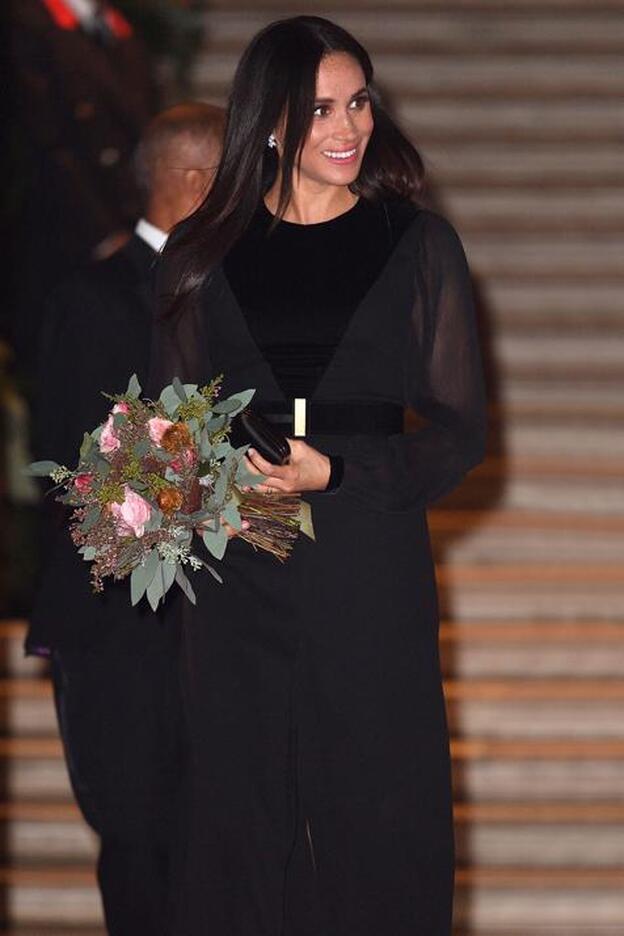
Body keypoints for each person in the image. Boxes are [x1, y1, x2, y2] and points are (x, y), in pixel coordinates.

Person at [151, 16, 486, 936]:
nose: (349, 128)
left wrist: (337, 472)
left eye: (360, 103)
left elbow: (461, 431)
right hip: (239, 566)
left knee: (378, 803)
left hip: (367, 555)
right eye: (321, 109)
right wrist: (213, 488)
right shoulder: (201, 256)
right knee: (235, 810)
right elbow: (167, 428)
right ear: (268, 123)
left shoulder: (417, 245)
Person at [28, 102, 225, 936]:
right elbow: (71, 470)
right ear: (194, 182)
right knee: (143, 845)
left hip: (226, 628)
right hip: (120, 630)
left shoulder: (244, 297)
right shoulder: (92, 298)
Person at [9, 0, 155, 377]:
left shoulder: (114, 25)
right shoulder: (24, 21)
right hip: (64, 237)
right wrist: (103, 232)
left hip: (124, 223)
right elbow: (41, 141)